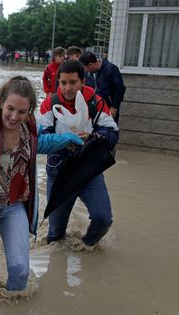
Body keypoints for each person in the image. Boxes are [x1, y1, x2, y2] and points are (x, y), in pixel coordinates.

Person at [0, 76, 83, 290]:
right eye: (10, 108)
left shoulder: (30, 125)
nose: (14, 117)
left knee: (20, 271)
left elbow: (40, 143)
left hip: (14, 207)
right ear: (2, 101)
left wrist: (68, 139)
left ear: (30, 110)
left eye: (22, 112)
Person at [38, 60, 119, 247]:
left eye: (73, 82)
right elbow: (40, 139)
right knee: (55, 235)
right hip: (60, 174)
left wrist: (93, 136)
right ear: (58, 82)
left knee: (103, 219)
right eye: (63, 82)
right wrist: (65, 140)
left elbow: (113, 134)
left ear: (83, 82)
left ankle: (86, 246)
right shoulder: (50, 104)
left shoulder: (96, 102)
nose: (67, 88)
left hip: (88, 171)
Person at [79, 51, 126, 123]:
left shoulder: (111, 69)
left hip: (108, 107)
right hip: (94, 108)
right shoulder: (90, 73)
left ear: (90, 64)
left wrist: (114, 107)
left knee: (109, 130)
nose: (85, 70)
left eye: (85, 68)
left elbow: (120, 88)